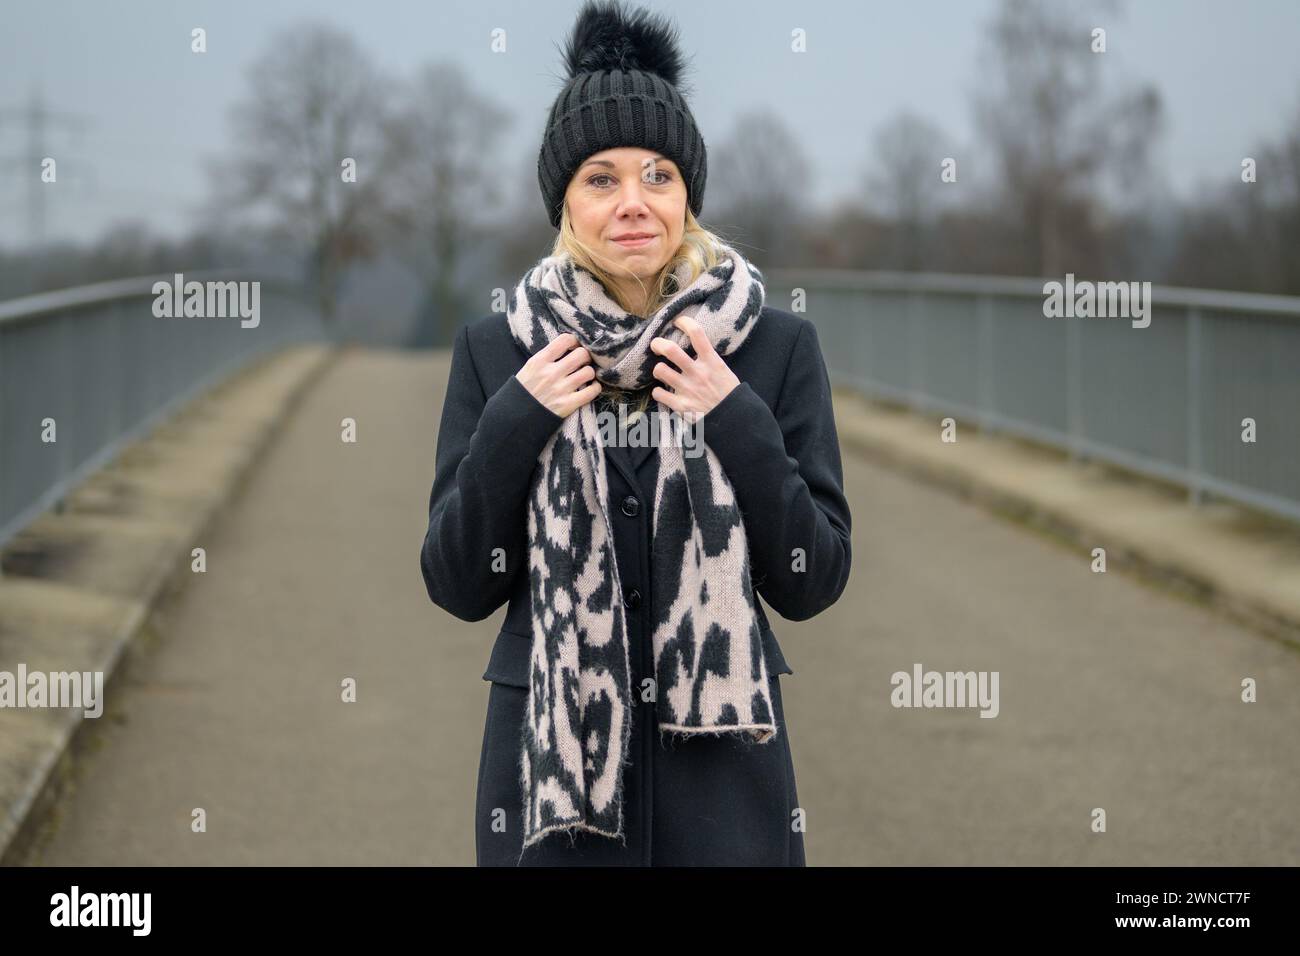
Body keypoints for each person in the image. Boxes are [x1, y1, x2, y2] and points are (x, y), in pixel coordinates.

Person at [419, 0, 851, 866]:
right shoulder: (498, 351)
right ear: (565, 203)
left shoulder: (771, 348)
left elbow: (816, 577)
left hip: (723, 784)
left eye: (659, 175)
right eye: (601, 178)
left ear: (688, 195)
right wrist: (518, 418)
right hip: (554, 791)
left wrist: (734, 417)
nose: (634, 204)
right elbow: (457, 583)